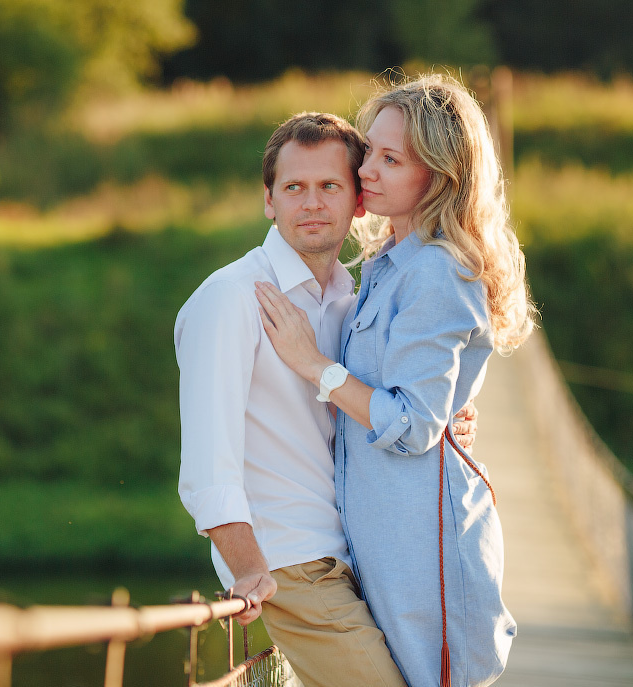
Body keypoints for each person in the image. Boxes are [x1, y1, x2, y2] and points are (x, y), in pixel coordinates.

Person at [175, 111, 477, 687]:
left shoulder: (352, 299)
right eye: (294, 188)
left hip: (363, 560)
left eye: (328, 186)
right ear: (269, 200)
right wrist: (250, 570)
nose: (311, 203)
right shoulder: (232, 298)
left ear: (358, 200)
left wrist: (446, 426)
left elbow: (395, 408)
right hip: (288, 562)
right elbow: (205, 464)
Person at [255, 73, 536, 687]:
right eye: (368, 152)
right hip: (383, 542)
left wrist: (314, 365)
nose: (365, 171)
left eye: (388, 158)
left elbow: (412, 422)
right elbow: (420, 404)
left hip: (424, 553)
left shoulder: (435, 271)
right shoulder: (387, 263)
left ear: (436, 175)